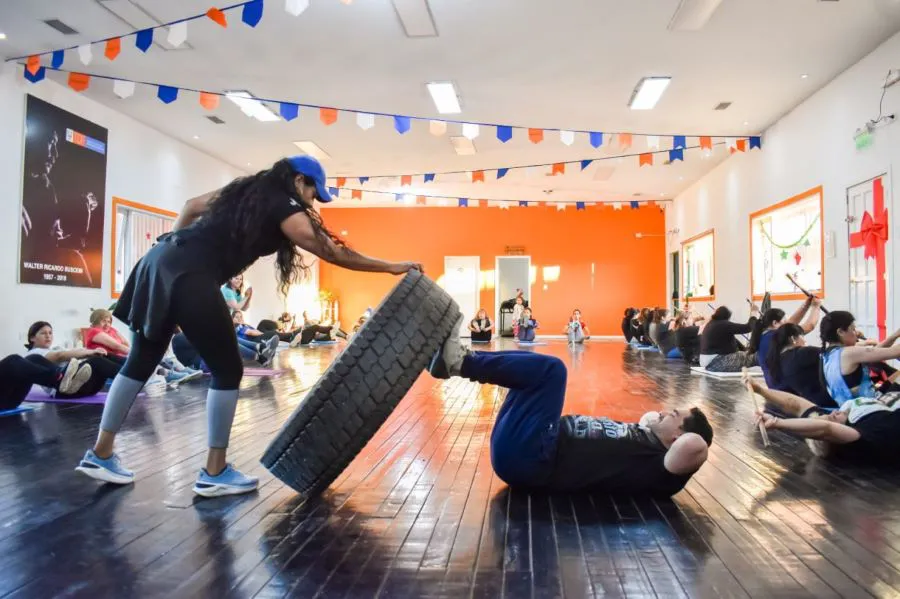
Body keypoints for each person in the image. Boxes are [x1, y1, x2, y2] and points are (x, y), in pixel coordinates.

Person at [75, 155, 422, 497]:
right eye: (314, 194)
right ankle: (214, 472)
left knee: (140, 360)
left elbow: (191, 206)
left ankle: (101, 454)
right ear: (300, 181)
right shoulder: (284, 203)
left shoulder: (249, 189)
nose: (313, 202)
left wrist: (176, 251)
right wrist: (391, 267)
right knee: (228, 369)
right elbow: (332, 252)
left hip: (157, 261)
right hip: (190, 274)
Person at [427, 318, 712, 495]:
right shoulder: (644, 435)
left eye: (674, 415)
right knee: (524, 380)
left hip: (532, 461)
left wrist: (695, 426)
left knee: (552, 371)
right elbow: (663, 425)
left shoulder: (661, 470)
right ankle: (448, 358)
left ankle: (461, 362)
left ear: (678, 437)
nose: (663, 411)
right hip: (526, 449)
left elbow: (696, 445)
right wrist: (659, 424)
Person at [749, 377, 900, 463]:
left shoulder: (839, 416)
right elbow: (825, 428)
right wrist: (777, 423)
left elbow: (797, 404)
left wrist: (760, 390)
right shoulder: (863, 435)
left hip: (886, 398)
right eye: (830, 417)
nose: (833, 413)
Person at [820, 311, 900, 405]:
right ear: (840, 332)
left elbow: (875, 352)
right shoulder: (848, 353)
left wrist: (894, 335)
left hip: (851, 406)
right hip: (868, 407)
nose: (856, 333)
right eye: (853, 329)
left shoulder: (828, 355)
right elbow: (895, 352)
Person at [25, 320, 122, 398]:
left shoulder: (54, 348)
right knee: (96, 361)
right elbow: (60, 356)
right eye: (43, 333)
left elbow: (75, 351)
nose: (48, 336)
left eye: (50, 333)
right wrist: (90, 352)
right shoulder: (34, 354)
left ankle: (133, 372)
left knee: (103, 355)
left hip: (81, 386)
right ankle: (131, 379)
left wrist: (94, 351)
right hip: (64, 390)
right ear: (32, 338)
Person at [747, 298, 821, 389]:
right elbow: (810, 326)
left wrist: (805, 305)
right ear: (775, 323)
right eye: (784, 321)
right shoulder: (777, 335)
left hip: (774, 385)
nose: (786, 323)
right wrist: (816, 306)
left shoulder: (762, 335)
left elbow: (790, 324)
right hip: (785, 385)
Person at [764, 323, 834, 409]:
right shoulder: (802, 353)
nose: (805, 341)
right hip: (829, 400)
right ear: (793, 338)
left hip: (811, 403)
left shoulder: (779, 360)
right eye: (802, 337)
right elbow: (836, 354)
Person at [699, 305, 760, 372]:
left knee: (745, 355)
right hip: (717, 361)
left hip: (707, 361)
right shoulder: (724, 324)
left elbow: (735, 341)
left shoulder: (711, 324)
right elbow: (748, 327)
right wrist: (754, 313)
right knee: (755, 357)